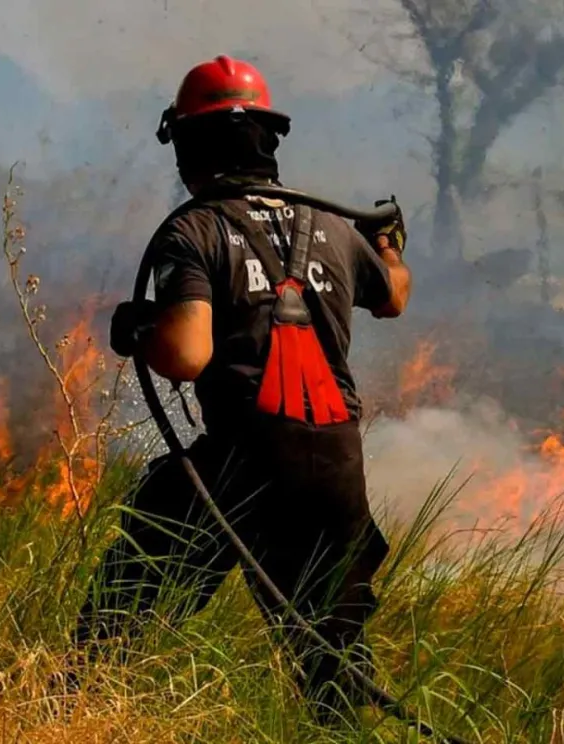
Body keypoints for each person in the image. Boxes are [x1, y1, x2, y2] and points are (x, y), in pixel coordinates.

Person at [71, 54, 411, 725]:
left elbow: (187, 353)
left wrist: (140, 328)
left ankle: (62, 720)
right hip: (337, 470)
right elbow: (393, 298)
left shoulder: (193, 231)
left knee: (118, 621)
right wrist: (391, 248)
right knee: (332, 667)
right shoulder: (334, 228)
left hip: (243, 467)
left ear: (190, 145)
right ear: (268, 139)